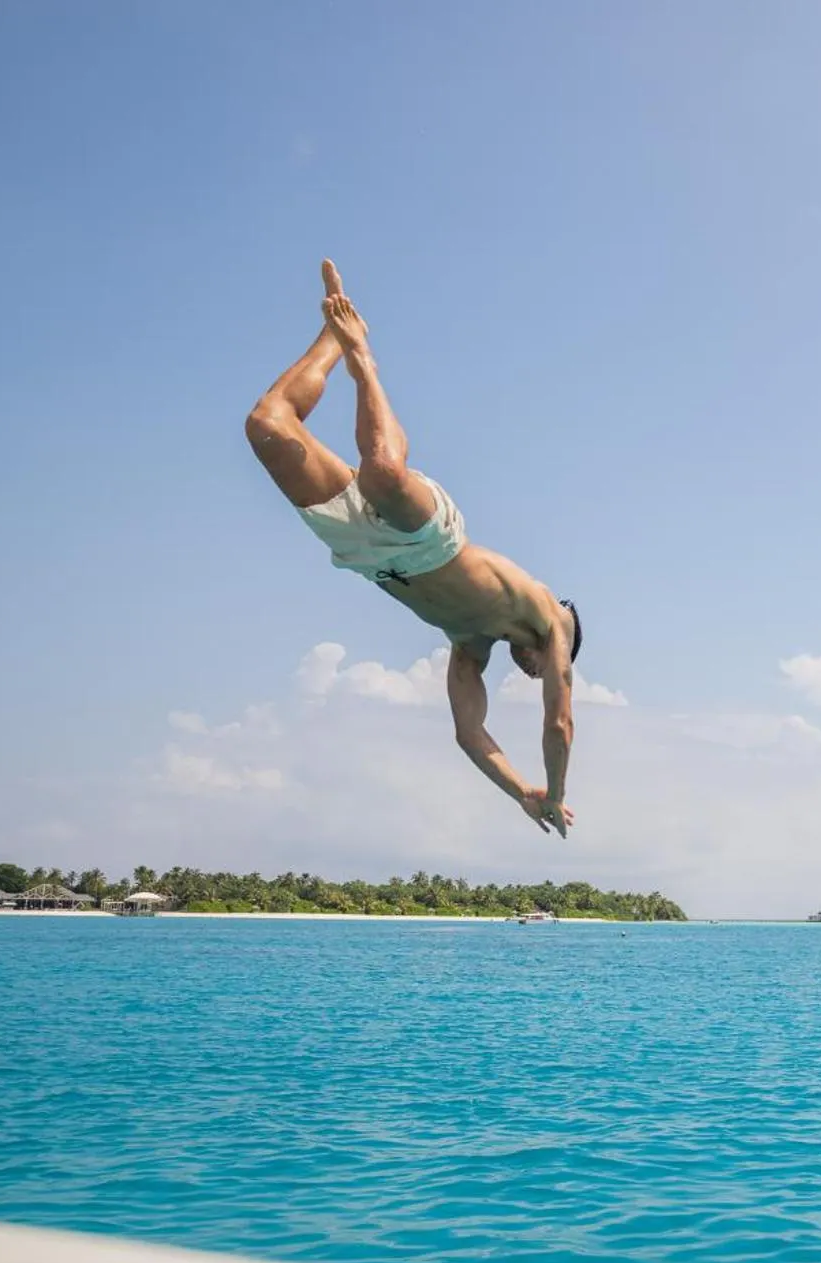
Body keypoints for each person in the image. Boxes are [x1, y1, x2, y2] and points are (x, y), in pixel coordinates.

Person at [244, 261, 579, 838]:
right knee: (382, 472)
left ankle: (332, 338)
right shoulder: (554, 616)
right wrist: (560, 789)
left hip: (369, 556)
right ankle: (359, 358)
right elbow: (561, 723)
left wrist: (526, 791)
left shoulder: (469, 650)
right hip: (431, 535)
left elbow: (470, 735)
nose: (545, 665)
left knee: (267, 424)